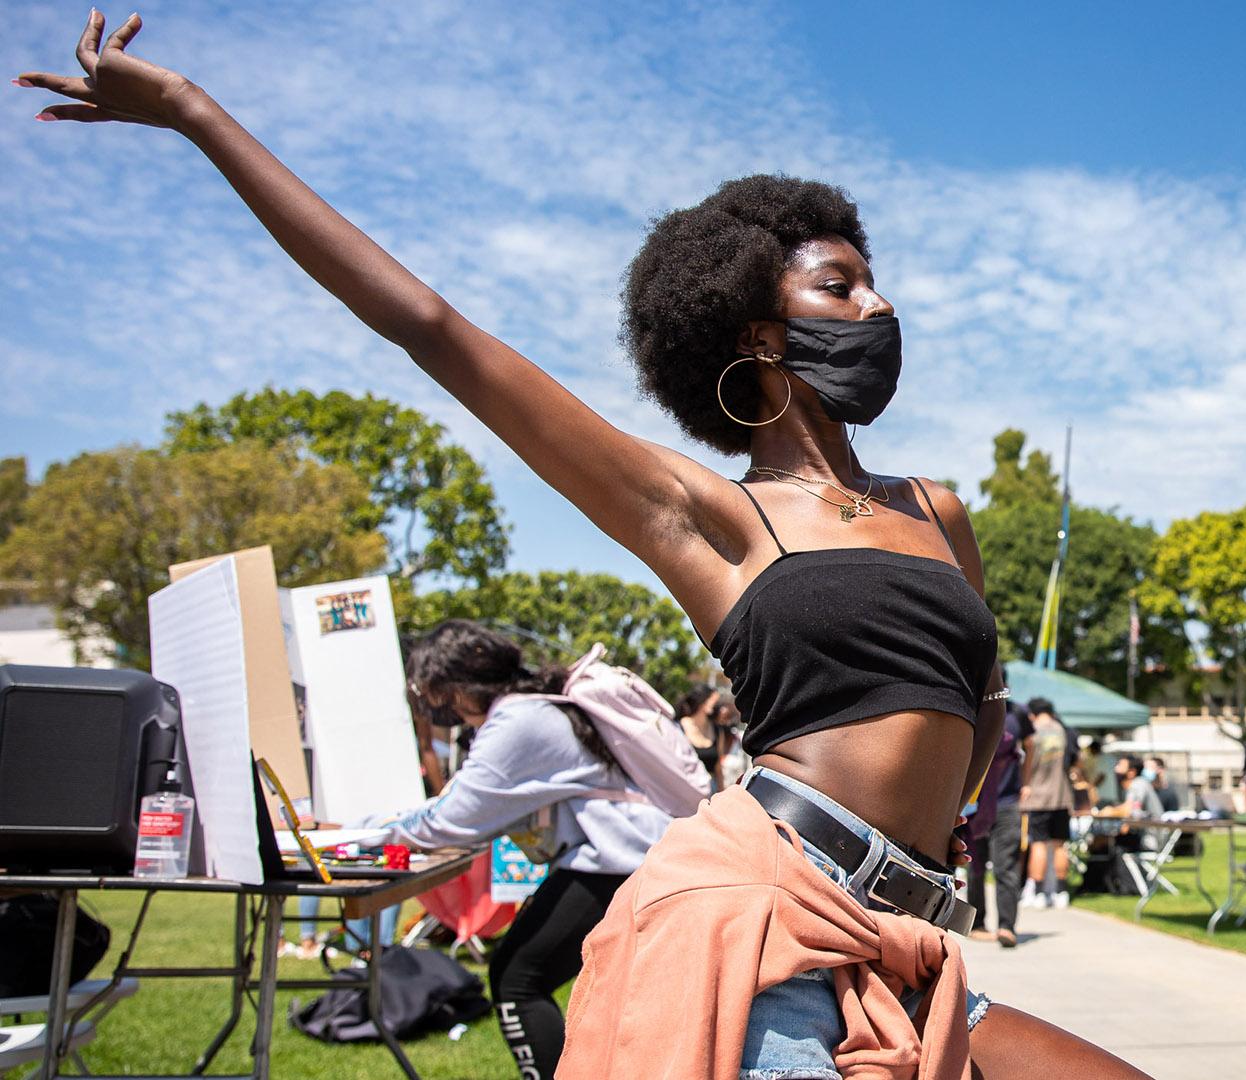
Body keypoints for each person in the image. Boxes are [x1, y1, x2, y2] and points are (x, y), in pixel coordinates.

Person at [14, 19, 1153, 1076]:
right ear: (759, 332)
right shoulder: (711, 518)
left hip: (904, 934)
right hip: (755, 919)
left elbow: (979, 701)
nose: (879, 305)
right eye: (842, 284)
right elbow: (434, 330)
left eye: (876, 279)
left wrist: (944, 826)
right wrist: (194, 112)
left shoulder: (937, 509)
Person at [364, 621, 680, 1080]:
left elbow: (452, 819)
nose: (439, 707)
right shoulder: (534, 709)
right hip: (630, 860)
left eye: (438, 693)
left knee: (517, 979)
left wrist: (359, 835)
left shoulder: (520, 718)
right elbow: (467, 806)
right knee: (563, 988)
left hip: (618, 865)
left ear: (459, 686)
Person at [966, 699, 1030, 948]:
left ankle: (1007, 926)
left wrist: (1027, 781)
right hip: (975, 804)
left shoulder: (1017, 714)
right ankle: (977, 922)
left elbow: (1030, 744)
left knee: (1006, 866)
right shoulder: (972, 706)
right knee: (975, 865)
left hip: (1007, 802)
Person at [1020, 698, 1079, 910]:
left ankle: (1038, 891)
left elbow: (1025, 762)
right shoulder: (1064, 730)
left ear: (1033, 713)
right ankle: (1061, 891)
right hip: (1061, 795)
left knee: (1038, 844)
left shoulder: (1031, 731)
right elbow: (1074, 760)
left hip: (1037, 795)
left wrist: (1024, 785)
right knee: (1060, 844)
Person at [675, 683, 737, 792]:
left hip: (709, 791)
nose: (718, 704)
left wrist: (721, 793)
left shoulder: (718, 730)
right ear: (702, 701)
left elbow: (718, 768)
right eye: (713, 700)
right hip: (685, 790)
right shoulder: (680, 727)